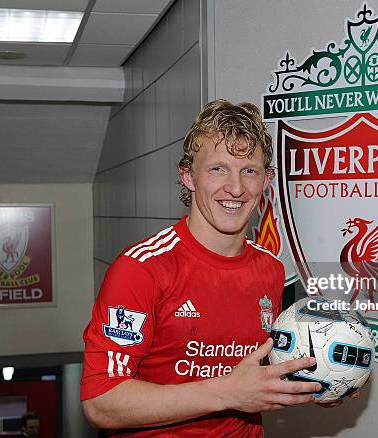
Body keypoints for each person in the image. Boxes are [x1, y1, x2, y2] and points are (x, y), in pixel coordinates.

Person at [81, 100, 350, 437]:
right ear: (188, 175)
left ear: (267, 179)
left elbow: (258, 370)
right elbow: (100, 402)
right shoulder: (141, 270)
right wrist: (226, 393)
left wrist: (320, 377)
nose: (236, 188)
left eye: (249, 170)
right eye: (217, 169)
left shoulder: (270, 269)